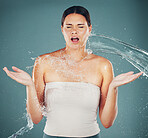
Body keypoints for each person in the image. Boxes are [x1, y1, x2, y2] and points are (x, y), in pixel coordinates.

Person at [3, 6, 143, 138]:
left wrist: (113, 88)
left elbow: (107, 122)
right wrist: (29, 85)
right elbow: (36, 118)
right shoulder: (44, 62)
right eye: (68, 27)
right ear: (62, 30)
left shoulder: (103, 65)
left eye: (80, 27)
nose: (74, 31)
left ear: (89, 29)